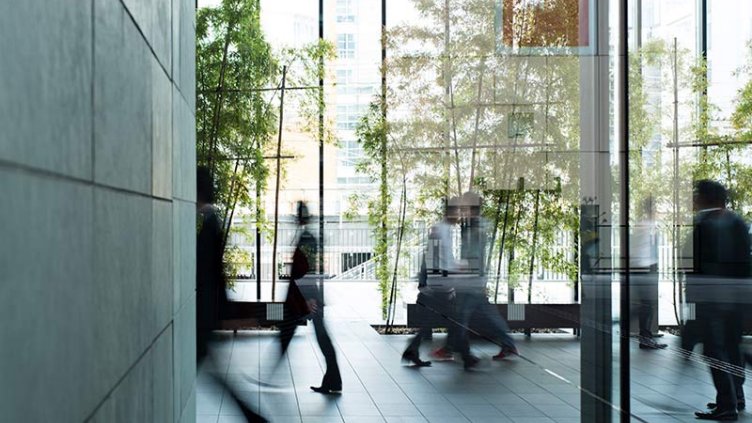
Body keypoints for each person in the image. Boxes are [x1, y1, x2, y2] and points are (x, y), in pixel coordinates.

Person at [196, 166, 267, 422]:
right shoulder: (211, 220)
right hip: (206, 309)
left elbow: (210, 270)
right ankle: (253, 416)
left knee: (211, 372)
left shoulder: (210, 223)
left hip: (204, 311)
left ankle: (253, 416)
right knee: (213, 373)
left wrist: (219, 310)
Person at [688, 180, 751, 421]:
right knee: (732, 348)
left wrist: (692, 307)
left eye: (696, 194)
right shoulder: (737, 222)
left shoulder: (705, 224)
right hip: (735, 299)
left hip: (712, 300)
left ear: (706, 198)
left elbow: (697, 269)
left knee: (714, 350)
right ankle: (736, 396)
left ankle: (727, 404)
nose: (693, 199)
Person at [277, 201, 342, 394]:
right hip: (305, 296)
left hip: (307, 297)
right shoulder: (308, 237)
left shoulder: (307, 238)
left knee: (319, 336)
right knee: (317, 336)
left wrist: (309, 298)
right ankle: (333, 380)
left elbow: (309, 270)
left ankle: (334, 380)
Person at [629, 197, 667, 349]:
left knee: (647, 304)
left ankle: (646, 337)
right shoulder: (645, 225)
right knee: (647, 304)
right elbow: (639, 248)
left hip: (645, 267)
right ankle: (644, 337)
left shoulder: (645, 224)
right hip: (644, 268)